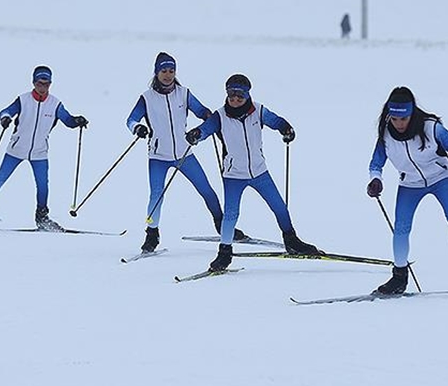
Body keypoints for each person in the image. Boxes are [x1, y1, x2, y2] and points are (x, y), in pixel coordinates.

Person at [185, 74, 321, 271]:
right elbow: (205, 129)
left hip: (259, 172)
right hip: (233, 175)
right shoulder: (220, 116)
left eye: (240, 96)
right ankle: (224, 253)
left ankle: (292, 240)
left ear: (247, 95)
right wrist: (196, 134)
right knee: (231, 214)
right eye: (232, 95)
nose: (235, 100)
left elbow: (276, 121)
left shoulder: (258, 111)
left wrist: (286, 128)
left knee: (279, 207)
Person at [125, 52, 244, 253]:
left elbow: (201, 111)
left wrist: (210, 118)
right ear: (156, 72)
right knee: (156, 196)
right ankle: (151, 234)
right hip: (158, 157)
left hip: (184, 154)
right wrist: (138, 128)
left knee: (206, 190)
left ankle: (221, 224)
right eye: (164, 71)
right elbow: (130, 120)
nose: (168, 75)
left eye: (171, 71)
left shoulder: (183, 93)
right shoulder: (147, 98)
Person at [366, 86, 448, 295]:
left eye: (404, 118)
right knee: (401, 228)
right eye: (395, 118)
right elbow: (376, 163)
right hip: (410, 184)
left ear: (412, 113)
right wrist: (375, 179)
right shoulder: (386, 133)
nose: (399, 124)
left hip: (441, 177)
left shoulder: (431, 128)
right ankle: (399, 276)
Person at [0, 65, 87, 231]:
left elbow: (68, 120)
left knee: (43, 185)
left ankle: (42, 217)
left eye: (46, 84)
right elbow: (5, 111)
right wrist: (5, 119)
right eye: (39, 83)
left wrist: (77, 121)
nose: (43, 87)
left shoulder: (55, 104)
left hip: (39, 152)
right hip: (16, 149)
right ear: (33, 82)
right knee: (1, 176)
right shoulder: (23, 100)